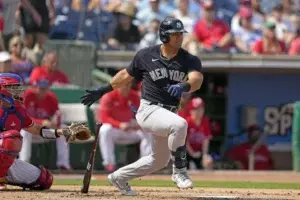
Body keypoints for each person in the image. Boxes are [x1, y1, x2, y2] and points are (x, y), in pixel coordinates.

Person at [81, 17, 203, 196]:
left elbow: (197, 80)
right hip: (149, 109)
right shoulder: (146, 55)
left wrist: (183, 86)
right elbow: (125, 75)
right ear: (164, 36)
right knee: (180, 125)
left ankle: (119, 177)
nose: (179, 37)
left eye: (180, 34)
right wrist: (102, 90)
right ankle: (179, 172)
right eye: (174, 34)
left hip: (168, 113)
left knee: (159, 160)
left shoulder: (189, 59)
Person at [0, 73, 90, 190]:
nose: (17, 91)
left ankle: (4, 175)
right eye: (12, 87)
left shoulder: (18, 112)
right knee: (10, 138)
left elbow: (37, 130)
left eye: (18, 87)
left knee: (44, 179)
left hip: (6, 162)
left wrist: (62, 132)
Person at [98, 82, 151, 173]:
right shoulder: (109, 96)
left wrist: (138, 124)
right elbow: (104, 117)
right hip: (116, 130)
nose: (126, 87)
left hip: (131, 130)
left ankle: (145, 165)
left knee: (149, 130)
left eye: (128, 84)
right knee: (104, 130)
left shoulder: (134, 96)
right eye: (123, 84)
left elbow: (141, 115)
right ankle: (109, 163)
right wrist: (119, 125)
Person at [19, 79, 71, 171]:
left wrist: (55, 123)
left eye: (44, 89)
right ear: (34, 87)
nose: (42, 91)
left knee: (63, 130)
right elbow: (22, 116)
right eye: (40, 88)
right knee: (24, 130)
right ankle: (24, 162)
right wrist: (41, 122)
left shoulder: (51, 98)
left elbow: (58, 114)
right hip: (30, 128)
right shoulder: (26, 95)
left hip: (44, 130)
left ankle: (63, 164)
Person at [185, 97, 213, 170]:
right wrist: (192, 153)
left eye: (201, 109)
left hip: (199, 152)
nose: (199, 111)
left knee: (208, 161)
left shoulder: (205, 121)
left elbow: (206, 140)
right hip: (187, 152)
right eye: (196, 109)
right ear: (191, 110)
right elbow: (185, 141)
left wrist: (204, 155)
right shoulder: (186, 122)